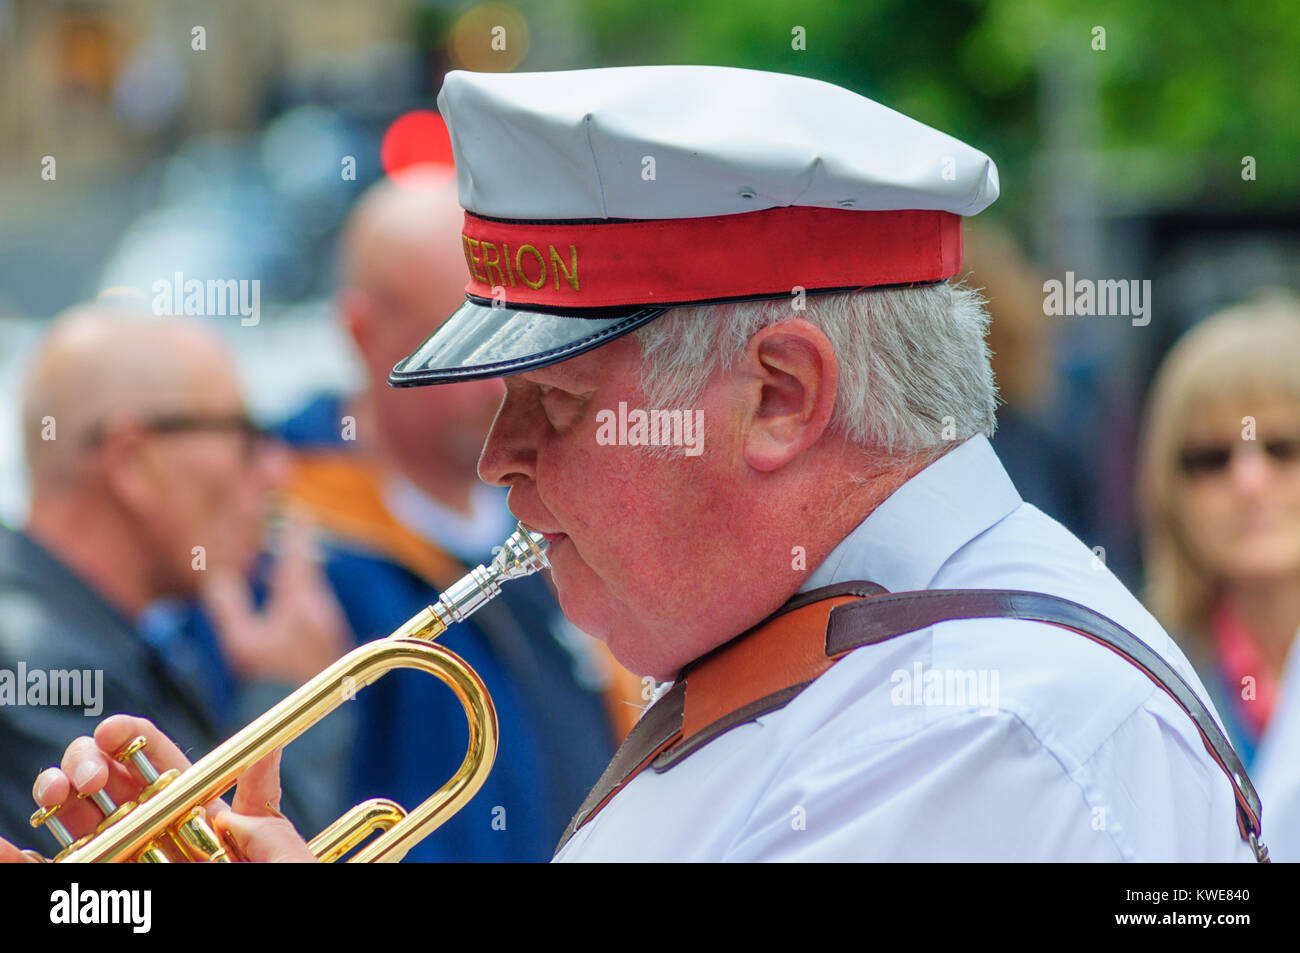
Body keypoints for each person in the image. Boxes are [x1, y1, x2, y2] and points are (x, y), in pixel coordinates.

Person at [2, 65, 1264, 863]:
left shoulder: (996, 733)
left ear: (781, 394)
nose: (502, 461)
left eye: (552, 403)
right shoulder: (851, 658)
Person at [269, 171, 635, 860]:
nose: (504, 382)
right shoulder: (284, 542)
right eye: (461, 342)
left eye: (514, 336)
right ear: (361, 332)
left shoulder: (544, 511)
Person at [0, 304, 344, 847]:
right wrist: (293, 702)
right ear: (132, 464)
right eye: (242, 435)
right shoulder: (38, 664)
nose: (276, 468)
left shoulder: (82, 633)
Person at [1136, 292, 1300, 859]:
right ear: (1167, 488)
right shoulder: (1137, 678)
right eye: (1210, 457)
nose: (1250, 481)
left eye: (1282, 447)